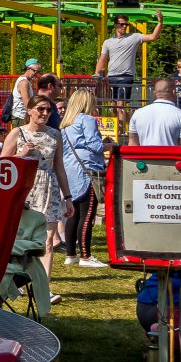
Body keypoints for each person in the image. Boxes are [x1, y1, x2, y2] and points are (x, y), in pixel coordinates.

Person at [3, 93, 71, 284]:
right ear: (29, 111)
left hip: (48, 188)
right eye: (40, 109)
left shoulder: (55, 134)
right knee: (22, 237)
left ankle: (44, 287)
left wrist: (68, 197)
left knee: (48, 240)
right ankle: (17, 281)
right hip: (24, 188)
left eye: (48, 110)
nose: (45, 113)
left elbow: (59, 168)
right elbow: (1, 163)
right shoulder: (18, 133)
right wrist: (21, 153)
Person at [59, 88, 107, 267]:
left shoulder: (66, 123)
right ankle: (86, 256)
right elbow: (95, 145)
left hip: (70, 169)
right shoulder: (87, 119)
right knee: (87, 214)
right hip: (87, 170)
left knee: (73, 213)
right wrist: (107, 144)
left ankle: (71, 254)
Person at [96, 12, 163, 105]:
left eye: (126, 24)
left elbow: (153, 36)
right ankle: (128, 119)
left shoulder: (133, 37)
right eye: (122, 24)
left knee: (120, 105)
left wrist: (160, 23)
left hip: (126, 76)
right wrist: (96, 74)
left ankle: (125, 118)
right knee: (113, 106)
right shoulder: (108, 42)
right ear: (115, 25)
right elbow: (102, 59)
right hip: (111, 76)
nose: (124, 26)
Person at [127, 78, 181, 147]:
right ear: (174, 92)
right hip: (170, 157)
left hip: (144, 157)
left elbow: (132, 144)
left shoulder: (137, 114)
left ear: (154, 93)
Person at [10, 59, 42, 123]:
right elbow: (27, 103)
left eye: (39, 72)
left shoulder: (28, 82)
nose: (37, 74)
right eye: (35, 71)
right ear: (28, 69)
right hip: (21, 117)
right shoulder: (24, 82)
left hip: (23, 116)